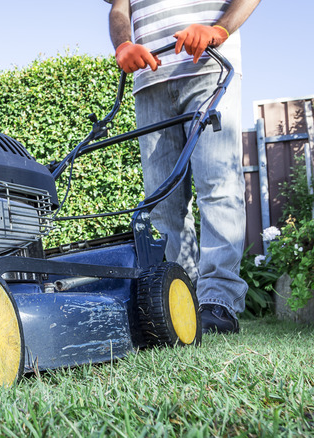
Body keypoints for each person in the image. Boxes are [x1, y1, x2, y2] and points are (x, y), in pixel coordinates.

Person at [106, 0, 260, 334]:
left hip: (210, 69)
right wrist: (123, 44)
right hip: (150, 82)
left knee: (218, 187)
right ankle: (181, 300)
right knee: (162, 204)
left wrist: (219, 29)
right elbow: (119, 8)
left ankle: (218, 302)